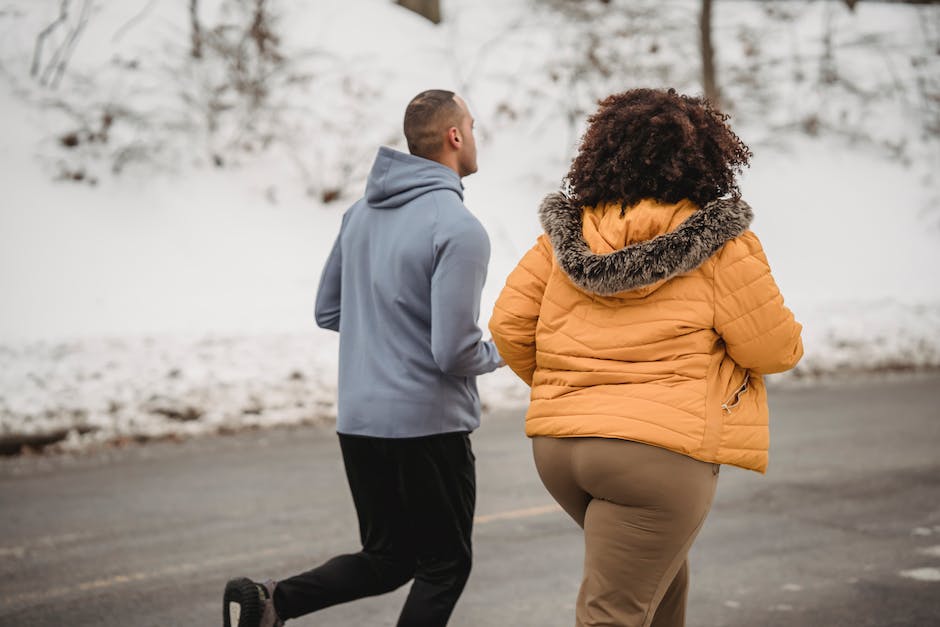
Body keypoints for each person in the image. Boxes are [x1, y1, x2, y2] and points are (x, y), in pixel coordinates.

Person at [488, 87, 803, 627]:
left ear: (602, 154)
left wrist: (573, 388)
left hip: (560, 453)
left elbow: (508, 327)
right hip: (658, 460)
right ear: (706, 161)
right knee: (615, 612)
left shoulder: (563, 241)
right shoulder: (722, 246)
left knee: (659, 587)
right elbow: (773, 349)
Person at [223, 89, 504, 627]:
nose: (474, 134)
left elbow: (330, 311)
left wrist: (384, 332)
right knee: (445, 565)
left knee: (390, 557)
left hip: (359, 423)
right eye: (472, 124)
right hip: (427, 427)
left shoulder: (359, 214)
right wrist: (504, 353)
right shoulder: (458, 227)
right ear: (455, 136)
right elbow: (453, 350)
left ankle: (272, 602)